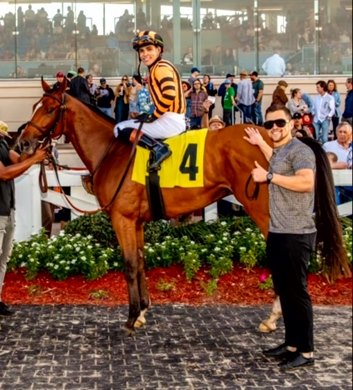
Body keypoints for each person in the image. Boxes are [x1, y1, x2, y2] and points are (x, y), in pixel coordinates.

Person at [244, 104, 317, 370]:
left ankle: (306, 352)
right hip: (278, 232)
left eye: (279, 123)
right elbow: (274, 157)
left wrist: (269, 176)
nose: (274, 128)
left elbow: (306, 182)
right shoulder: (280, 151)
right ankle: (291, 345)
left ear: (291, 124)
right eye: (269, 125)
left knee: (297, 294)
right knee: (285, 293)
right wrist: (259, 142)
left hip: (297, 234)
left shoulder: (301, 151)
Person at [114, 31, 186, 171]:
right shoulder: (157, 68)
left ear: (159, 50)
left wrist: (154, 116)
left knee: (119, 128)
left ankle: (159, 149)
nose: (144, 54)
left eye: (149, 49)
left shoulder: (160, 68)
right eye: (141, 51)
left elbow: (169, 94)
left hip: (170, 120)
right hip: (170, 118)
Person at [0, 121, 48, 315]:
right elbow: (3, 174)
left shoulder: (2, 143)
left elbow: (18, 160)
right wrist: (33, 159)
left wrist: (33, 149)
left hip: (7, 208)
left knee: (3, 258)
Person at [323, 121, 352, 204]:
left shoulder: (351, 148)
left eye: (345, 132)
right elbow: (321, 163)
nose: (342, 134)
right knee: (336, 206)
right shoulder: (328, 146)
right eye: (340, 132)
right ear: (336, 133)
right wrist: (336, 165)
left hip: (349, 183)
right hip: (333, 183)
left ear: (350, 134)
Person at [312, 80, 335, 144]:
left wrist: (328, 116)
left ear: (322, 88)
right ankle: (317, 152)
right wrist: (313, 115)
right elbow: (313, 108)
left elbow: (332, 110)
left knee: (324, 138)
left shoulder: (330, 98)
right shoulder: (316, 98)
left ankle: (325, 152)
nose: (316, 89)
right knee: (316, 137)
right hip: (316, 120)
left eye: (318, 87)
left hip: (325, 120)